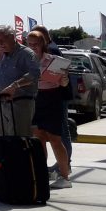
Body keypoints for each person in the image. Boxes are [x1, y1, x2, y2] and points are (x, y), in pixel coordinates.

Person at [27, 29, 72, 189]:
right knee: (38, 139)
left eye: (36, 44)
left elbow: (64, 83)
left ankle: (65, 177)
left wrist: (64, 79)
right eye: (30, 44)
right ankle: (42, 174)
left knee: (55, 139)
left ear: (42, 44)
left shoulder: (54, 60)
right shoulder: (26, 60)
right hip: (34, 99)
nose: (33, 47)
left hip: (52, 99)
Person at [36, 24, 73, 165]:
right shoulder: (53, 47)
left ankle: (64, 164)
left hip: (56, 95)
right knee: (60, 132)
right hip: (58, 94)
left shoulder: (51, 50)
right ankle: (64, 164)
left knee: (59, 133)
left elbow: (57, 73)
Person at [0, 25, 40, 136]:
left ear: (12, 37)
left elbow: (35, 74)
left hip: (20, 103)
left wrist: (14, 86)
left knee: (19, 139)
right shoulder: (3, 54)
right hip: (2, 102)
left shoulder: (26, 53)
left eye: (2, 40)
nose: (0, 44)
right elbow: (1, 74)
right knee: (4, 139)